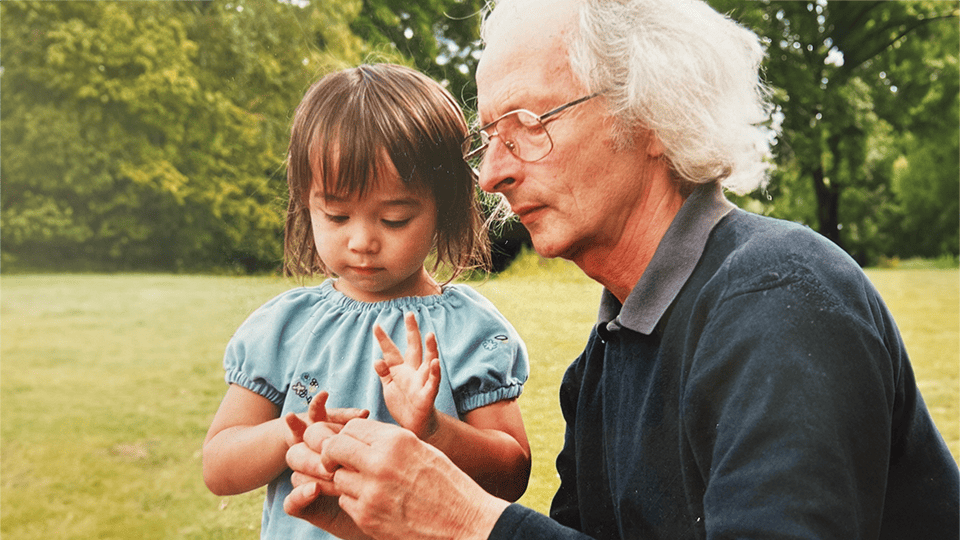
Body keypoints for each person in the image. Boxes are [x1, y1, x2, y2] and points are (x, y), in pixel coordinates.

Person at [284, 0, 960, 538]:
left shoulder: (781, 300)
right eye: (489, 138)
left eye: (526, 121)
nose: (493, 172)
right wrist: (402, 526)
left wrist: (465, 522)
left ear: (651, 114)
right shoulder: (604, 363)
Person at [202, 63, 532, 539]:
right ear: (306, 203)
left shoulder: (468, 331)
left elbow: (512, 473)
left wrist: (434, 428)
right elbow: (219, 466)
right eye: (336, 215)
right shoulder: (285, 327)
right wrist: (290, 430)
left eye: (394, 219)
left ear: (445, 208)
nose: (362, 241)